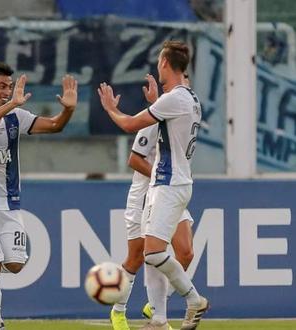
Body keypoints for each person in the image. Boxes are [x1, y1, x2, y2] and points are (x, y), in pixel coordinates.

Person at [0, 62, 77, 330]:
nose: (7, 91)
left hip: (9, 203)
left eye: (9, 87)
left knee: (15, 265)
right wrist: (11, 105)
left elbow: (55, 126)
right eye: (2, 86)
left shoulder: (17, 117)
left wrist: (68, 110)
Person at [98, 40, 207, 330]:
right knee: (149, 253)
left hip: (168, 183)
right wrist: (157, 101)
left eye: (159, 61)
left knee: (155, 253)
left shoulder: (174, 100)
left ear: (164, 64)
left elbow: (130, 125)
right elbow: (163, 126)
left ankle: (192, 300)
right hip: (174, 183)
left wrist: (110, 109)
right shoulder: (190, 99)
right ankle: (157, 318)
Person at [110, 74, 195, 330]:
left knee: (186, 252)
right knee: (137, 256)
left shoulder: (182, 115)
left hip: (168, 191)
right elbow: (134, 159)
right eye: (184, 83)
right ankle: (118, 310)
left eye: (188, 84)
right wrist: (162, 174)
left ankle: (156, 307)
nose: (186, 89)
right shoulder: (154, 118)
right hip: (146, 193)